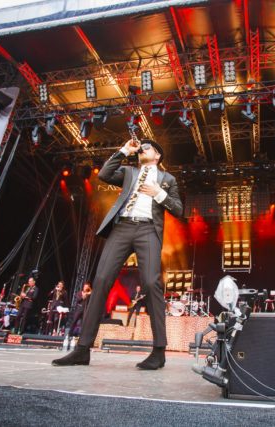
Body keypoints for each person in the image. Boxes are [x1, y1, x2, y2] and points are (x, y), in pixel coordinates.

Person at [53, 137, 183, 369]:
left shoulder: (167, 179)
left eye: (148, 147)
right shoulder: (129, 172)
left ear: (157, 156)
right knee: (102, 280)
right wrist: (124, 150)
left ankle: (158, 352)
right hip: (122, 227)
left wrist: (158, 193)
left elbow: (179, 209)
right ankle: (82, 349)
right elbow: (104, 174)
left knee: (151, 282)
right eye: (141, 147)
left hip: (148, 229)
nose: (143, 148)